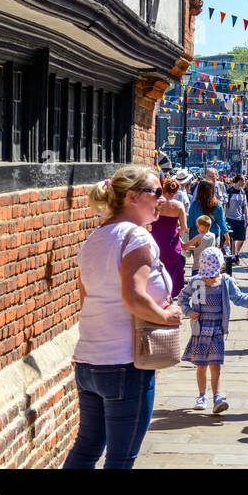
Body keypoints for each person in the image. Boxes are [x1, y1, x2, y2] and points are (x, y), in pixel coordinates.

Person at [65, 166, 181, 469]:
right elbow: (134, 297)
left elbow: (85, 299)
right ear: (132, 196)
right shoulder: (137, 237)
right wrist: (166, 317)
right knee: (121, 458)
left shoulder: (94, 239)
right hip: (124, 364)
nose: (163, 200)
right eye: (156, 192)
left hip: (89, 362)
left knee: (86, 448)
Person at [177, 247, 248, 413]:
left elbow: (239, 298)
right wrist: (189, 312)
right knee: (201, 365)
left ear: (220, 268)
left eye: (212, 273)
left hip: (217, 329)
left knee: (216, 365)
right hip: (200, 329)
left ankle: (217, 397)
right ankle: (202, 396)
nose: (209, 277)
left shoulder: (225, 281)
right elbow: (182, 297)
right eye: (207, 274)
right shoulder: (196, 282)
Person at [152, 176, 189, 298]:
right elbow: (184, 227)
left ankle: (158, 294)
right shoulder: (179, 206)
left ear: (164, 188)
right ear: (176, 191)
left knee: (157, 268)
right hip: (172, 242)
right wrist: (176, 230)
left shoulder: (157, 203)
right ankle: (171, 294)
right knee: (173, 269)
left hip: (156, 240)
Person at [224, 175, 248, 266]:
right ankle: (234, 257)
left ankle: (237, 252)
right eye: (243, 180)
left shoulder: (242, 192)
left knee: (242, 238)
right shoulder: (229, 191)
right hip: (230, 218)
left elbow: (245, 206)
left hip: (240, 218)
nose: (244, 182)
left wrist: (247, 219)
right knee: (233, 238)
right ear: (239, 180)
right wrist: (224, 216)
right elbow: (225, 205)